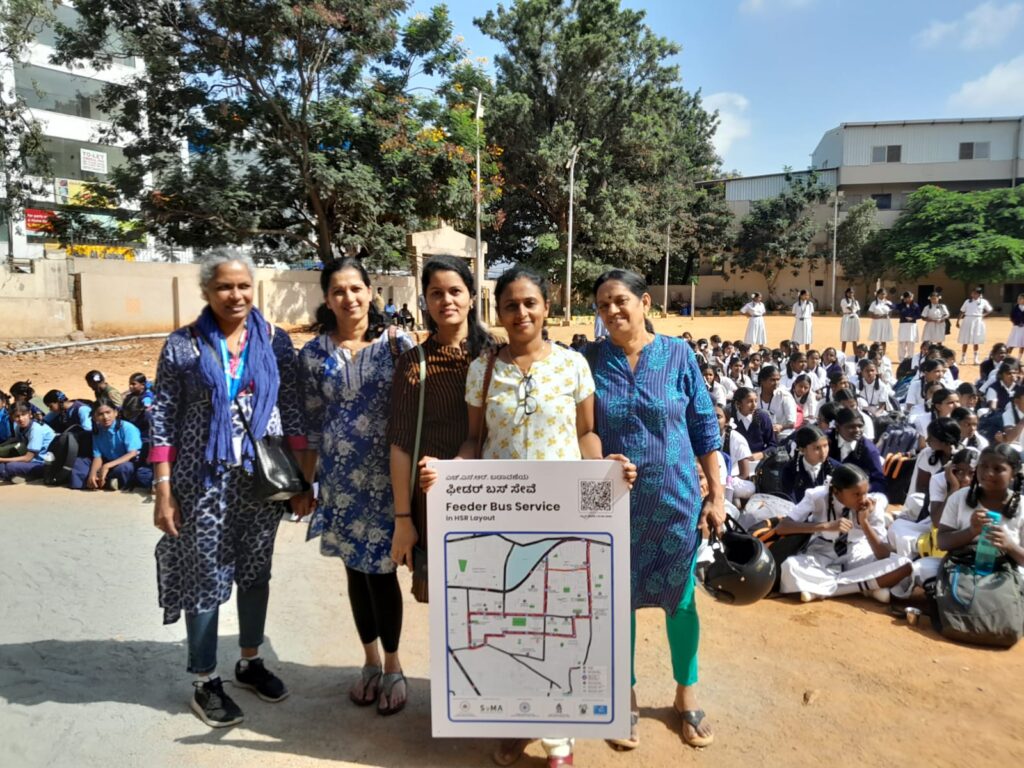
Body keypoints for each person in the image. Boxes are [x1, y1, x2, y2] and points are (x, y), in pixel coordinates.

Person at [417, 266, 635, 767]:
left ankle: (558, 740)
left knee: (556, 618)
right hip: (501, 514)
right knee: (509, 624)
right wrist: (449, 474)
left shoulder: (574, 365)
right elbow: (475, 440)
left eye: (530, 303)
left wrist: (603, 470)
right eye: (511, 305)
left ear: (547, 308)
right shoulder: (483, 369)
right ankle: (517, 725)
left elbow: (586, 435)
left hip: (563, 516)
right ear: (498, 312)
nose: (521, 313)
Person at [150, 249, 307, 728]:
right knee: (205, 578)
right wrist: (163, 489)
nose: (235, 295)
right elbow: (162, 417)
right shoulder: (183, 346)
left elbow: (293, 408)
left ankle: (250, 661)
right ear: (206, 292)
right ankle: (204, 680)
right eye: (224, 287)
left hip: (261, 480)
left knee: (256, 572)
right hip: (202, 482)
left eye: (243, 286)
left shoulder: (276, 342)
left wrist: (301, 477)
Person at [584, 269, 722, 753]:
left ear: (645, 302)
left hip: (675, 502)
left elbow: (704, 427)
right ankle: (626, 694)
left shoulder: (679, 355)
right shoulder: (589, 360)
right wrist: (599, 458)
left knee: (680, 601)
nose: (612, 312)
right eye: (603, 305)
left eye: (620, 301)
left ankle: (687, 694)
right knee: (616, 602)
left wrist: (718, 495)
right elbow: (582, 426)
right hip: (611, 505)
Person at [299, 258, 415, 716]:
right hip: (340, 484)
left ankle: (393, 666)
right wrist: (305, 482)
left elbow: (415, 414)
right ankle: (368, 662)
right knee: (354, 573)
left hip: (389, 484)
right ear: (327, 299)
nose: (349, 298)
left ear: (371, 292)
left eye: (356, 288)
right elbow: (310, 423)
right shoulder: (312, 355)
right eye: (338, 291)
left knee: (382, 574)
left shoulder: (396, 345)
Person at [389, 255, 493, 603]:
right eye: (436, 293)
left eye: (455, 291)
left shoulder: (498, 356)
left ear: (471, 298)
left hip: (497, 496)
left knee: (498, 594)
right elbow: (401, 445)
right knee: (450, 606)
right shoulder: (413, 363)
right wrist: (403, 518)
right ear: (426, 301)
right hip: (436, 502)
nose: (446, 301)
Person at [777, 464, 913, 603]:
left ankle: (820, 591)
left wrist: (864, 522)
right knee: (790, 567)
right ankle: (865, 587)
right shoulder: (817, 496)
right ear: (837, 492)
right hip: (822, 551)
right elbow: (783, 527)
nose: (863, 498)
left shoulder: (871, 504)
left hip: (857, 551)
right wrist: (826, 526)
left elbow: (882, 554)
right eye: (856, 494)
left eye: (865, 492)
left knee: (904, 565)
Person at [69, 396, 152, 490]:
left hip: (123, 462)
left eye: (108, 412)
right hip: (106, 462)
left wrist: (107, 466)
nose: (105, 417)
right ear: (95, 417)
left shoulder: (127, 428)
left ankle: (104, 481)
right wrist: (92, 473)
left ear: (115, 412)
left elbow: (132, 453)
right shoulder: (97, 431)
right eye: (100, 414)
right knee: (79, 462)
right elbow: (97, 456)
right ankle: (96, 481)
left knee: (126, 468)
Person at [829, 408, 886, 495]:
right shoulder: (826, 441)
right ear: (837, 427)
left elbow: (879, 482)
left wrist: (857, 491)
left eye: (860, 426)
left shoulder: (869, 449)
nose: (857, 430)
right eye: (851, 427)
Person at [779, 425, 839, 504]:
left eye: (825, 446)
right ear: (802, 449)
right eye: (817, 448)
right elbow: (790, 499)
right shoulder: (790, 470)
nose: (823, 452)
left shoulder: (836, 468)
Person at [0, 403, 55, 483]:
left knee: (10, 466)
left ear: (30, 414)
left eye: (23, 415)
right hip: (33, 460)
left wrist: (2, 460)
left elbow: (28, 458)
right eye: (17, 416)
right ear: (12, 417)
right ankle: (14, 475)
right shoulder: (19, 427)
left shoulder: (36, 429)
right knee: (2, 466)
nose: (21, 419)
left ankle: (27, 476)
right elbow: (15, 440)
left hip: (45, 464)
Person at [757, 365, 797, 439]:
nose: (776, 383)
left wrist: (781, 427)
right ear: (762, 381)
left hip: (782, 434)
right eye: (772, 380)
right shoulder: (754, 395)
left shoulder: (784, 395)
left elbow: (792, 423)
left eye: (778, 379)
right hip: (760, 434)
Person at [957, 286, 994, 365]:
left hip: (978, 321)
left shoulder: (983, 301)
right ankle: (963, 358)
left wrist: (983, 315)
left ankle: (976, 359)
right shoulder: (967, 301)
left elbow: (989, 310)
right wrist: (958, 321)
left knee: (976, 340)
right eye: (972, 292)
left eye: (975, 293)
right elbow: (962, 311)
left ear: (979, 294)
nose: (973, 294)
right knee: (965, 340)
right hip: (967, 320)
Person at [896, 292, 921, 362]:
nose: (910, 299)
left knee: (911, 342)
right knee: (902, 342)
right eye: (908, 297)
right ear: (904, 298)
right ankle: (901, 359)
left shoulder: (916, 305)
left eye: (911, 297)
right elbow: (893, 307)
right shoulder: (900, 305)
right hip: (903, 325)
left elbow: (919, 315)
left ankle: (910, 358)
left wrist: (913, 318)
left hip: (912, 326)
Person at [867, 289, 893, 355]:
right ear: (877, 294)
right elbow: (870, 314)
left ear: (886, 294)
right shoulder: (874, 303)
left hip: (885, 323)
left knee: (883, 340)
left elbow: (890, 313)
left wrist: (887, 315)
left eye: (884, 294)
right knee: (876, 340)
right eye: (881, 294)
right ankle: (874, 354)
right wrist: (879, 317)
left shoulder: (889, 303)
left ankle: (882, 355)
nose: (882, 295)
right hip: (877, 323)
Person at [839, 288, 861, 354]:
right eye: (849, 292)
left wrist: (856, 316)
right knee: (844, 337)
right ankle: (843, 353)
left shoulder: (856, 301)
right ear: (846, 293)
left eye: (852, 293)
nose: (850, 294)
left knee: (854, 338)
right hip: (847, 318)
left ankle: (855, 355)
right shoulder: (843, 301)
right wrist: (853, 302)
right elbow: (850, 308)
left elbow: (858, 310)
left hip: (854, 319)